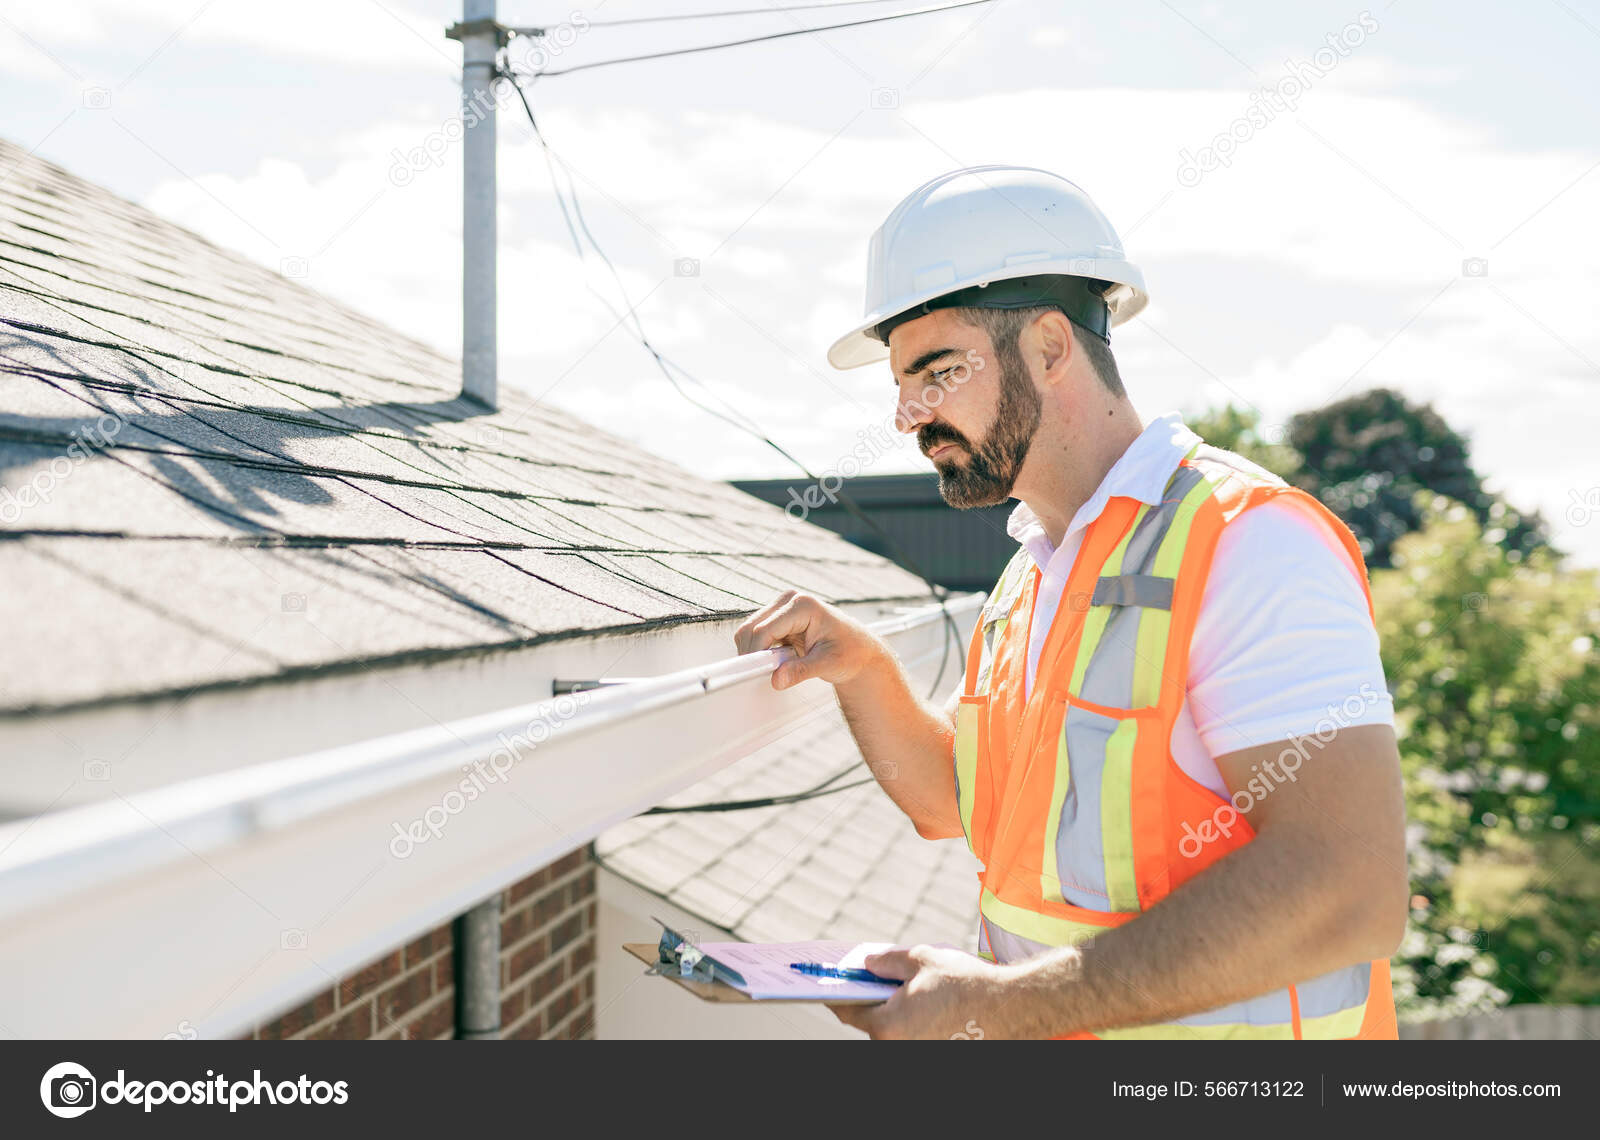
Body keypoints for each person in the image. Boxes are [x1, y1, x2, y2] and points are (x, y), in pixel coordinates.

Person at [733, 166, 1406, 1039]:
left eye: (936, 372)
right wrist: (862, 668)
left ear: (1051, 348)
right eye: (901, 383)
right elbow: (958, 804)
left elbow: (1347, 890)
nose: (906, 415)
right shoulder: (1032, 574)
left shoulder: (1250, 544)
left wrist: (993, 1004)